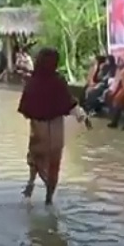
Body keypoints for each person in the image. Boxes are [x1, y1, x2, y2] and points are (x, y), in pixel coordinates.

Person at [17, 48, 87, 205]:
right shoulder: (58, 81)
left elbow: (25, 107)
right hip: (55, 128)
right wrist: (80, 115)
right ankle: (49, 199)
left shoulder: (33, 81)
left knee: (35, 156)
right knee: (54, 164)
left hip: (38, 127)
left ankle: (31, 181)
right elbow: (68, 102)